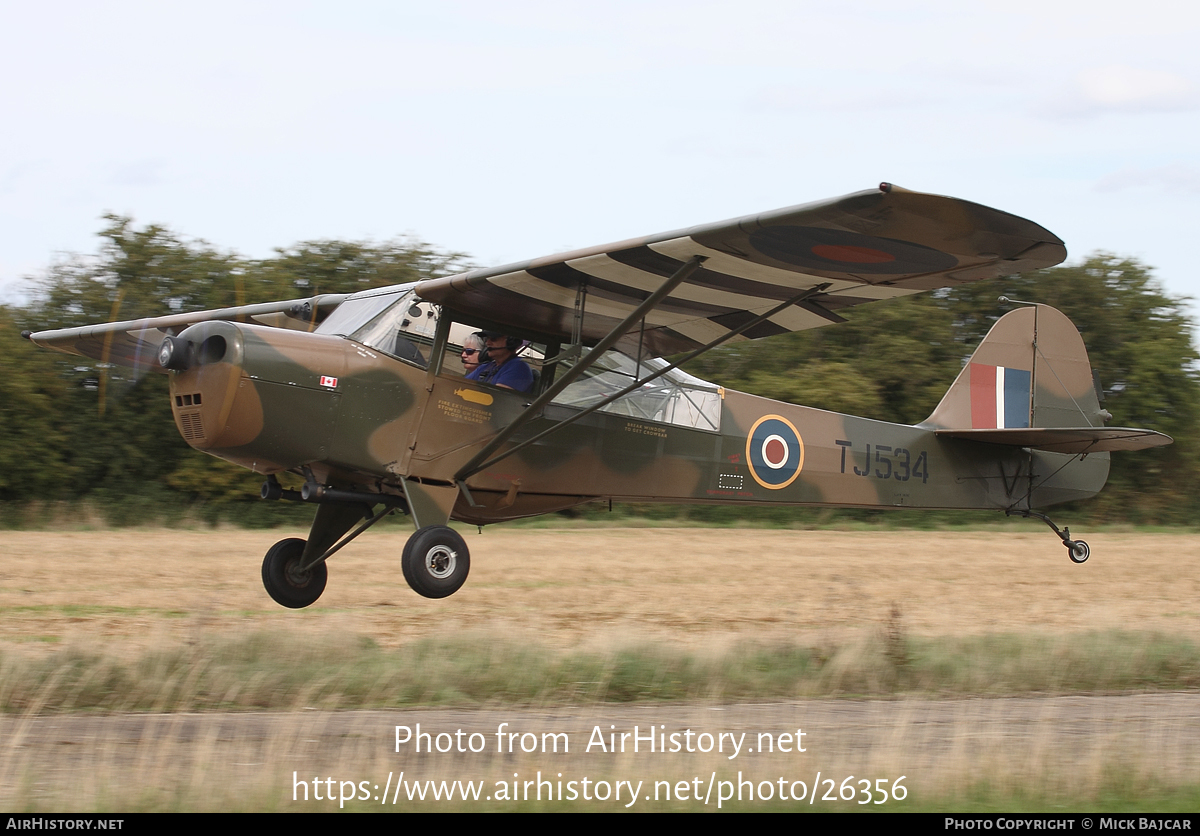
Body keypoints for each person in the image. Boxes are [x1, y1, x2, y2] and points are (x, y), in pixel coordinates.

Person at [466, 331, 534, 393]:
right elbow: (462, 386)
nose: (487, 343)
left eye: (493, 339)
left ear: (511, 342)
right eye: (487, 339)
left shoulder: (519, 368)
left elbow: (497, 398)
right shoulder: (486, 366)